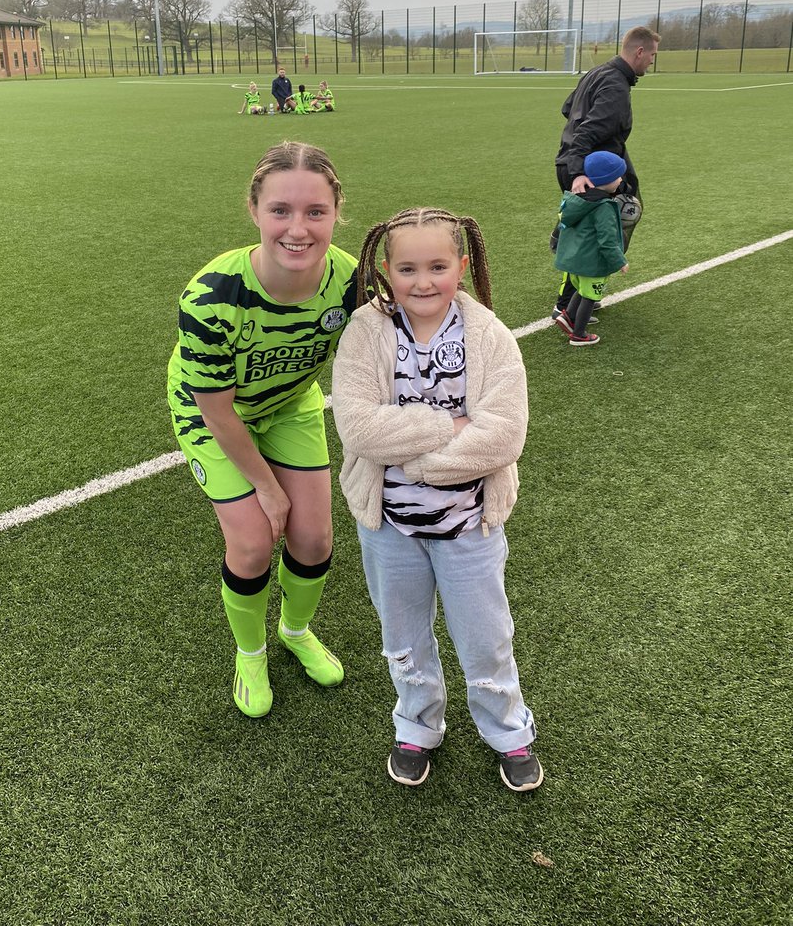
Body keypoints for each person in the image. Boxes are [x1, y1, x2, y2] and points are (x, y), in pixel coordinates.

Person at [331, 207, 541, 792]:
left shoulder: (488, 335)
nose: (423, 281)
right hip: (388, 525)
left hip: (470, 525)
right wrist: (449, 427)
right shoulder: (366, 332)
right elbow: (358, 427)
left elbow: (503, 433)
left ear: (463, 266)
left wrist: (416, 458)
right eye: (408, 268)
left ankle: (507, 729)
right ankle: (417, 724)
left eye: (438, 266)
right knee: (401, 635)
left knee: (485, 635)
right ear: (385, 270)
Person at [167, 142, 357, 718]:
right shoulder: (211, 297)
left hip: (292, 403)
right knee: (252, 542)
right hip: (215, 415)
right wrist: (267, 488)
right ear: (254, 211)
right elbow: (218, 410)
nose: (297, 229)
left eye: (315, 212)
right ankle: (249, 652)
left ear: (336, 213)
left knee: (314, 540)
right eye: (280, 210)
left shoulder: (350, 281)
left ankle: (294, 631)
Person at [552, 25, 659, 316]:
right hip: (588, 169)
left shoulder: (597, 72)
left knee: (587, 224)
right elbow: (586, 131)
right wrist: (579, 173)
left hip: (575, 162)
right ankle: (573, 299)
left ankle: (570, 291)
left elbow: (568, 109)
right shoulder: (614, 85)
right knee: (620, 214)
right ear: (639, 52)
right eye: (651, 54)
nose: (652, 60)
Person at [552, 152, 629, 347]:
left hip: (574, 261)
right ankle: (579, 334)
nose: (621, 179)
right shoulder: (604, 207)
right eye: (618, 176)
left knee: (581, 288)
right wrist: (619, 261)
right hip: (591, 261)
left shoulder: (576, 200)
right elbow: (607, 240)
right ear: (607, 180)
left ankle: (568, 316)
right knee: (590, 295)